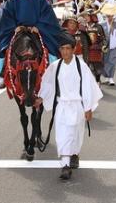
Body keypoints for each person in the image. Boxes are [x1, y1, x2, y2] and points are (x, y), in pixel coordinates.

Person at [34, 35, 103, 181]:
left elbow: (87, 87)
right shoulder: (55, 66)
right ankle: (65, 165)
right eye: (62, 49)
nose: (65, 52)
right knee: (63, 135)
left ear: (73, 50)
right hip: (62, 106)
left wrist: (88, 107)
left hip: (77, 106)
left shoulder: (81, 66)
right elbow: (49, 84)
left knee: (76, 134)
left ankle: (74, 154)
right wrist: (41, 98)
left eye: (68, 49)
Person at [0, 0, 69, 88]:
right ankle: (2, 74)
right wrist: (14, 27)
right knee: (4, 48)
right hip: (17, 31)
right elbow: (7, 18)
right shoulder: (12, 0)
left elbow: (48, 15)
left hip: (37, 30)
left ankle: (56, 75)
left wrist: (39, 26)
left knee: (51, 50)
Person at [100, 3, 116, 86]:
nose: (110, 17)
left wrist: (115, 30)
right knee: (105, 61)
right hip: (105, 46)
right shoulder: (102, 24)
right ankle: (106, 77)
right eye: (108, 16)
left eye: (111, 16)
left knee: (112, 61)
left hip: (114, 45)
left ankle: (111, 78)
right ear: (106, 16)